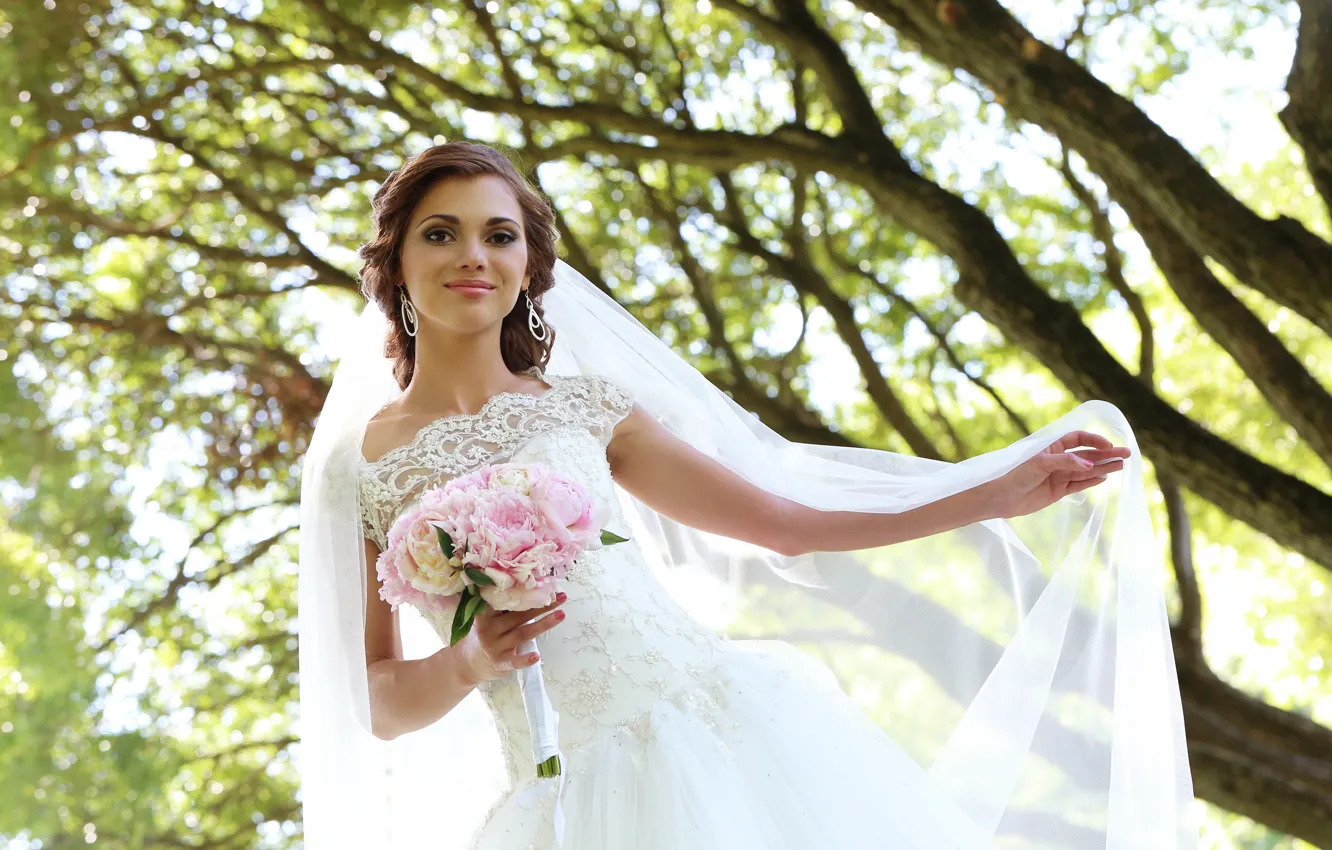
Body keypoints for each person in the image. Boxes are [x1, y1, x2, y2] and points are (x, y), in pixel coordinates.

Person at [297, 141, 1196, 849]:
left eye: (500, 234)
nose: (473, 257)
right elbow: (375, 702)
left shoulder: (589, 413)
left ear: (530, 266)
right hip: (555, 801)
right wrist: (465, 663)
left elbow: (783, 521)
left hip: (714, 741)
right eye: (440, 232)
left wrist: (989, 494)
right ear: (397, 267)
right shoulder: (359, 468)